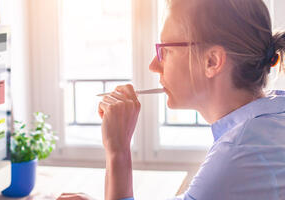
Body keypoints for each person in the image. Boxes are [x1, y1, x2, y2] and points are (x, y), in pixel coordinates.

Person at [58, 0, 285, 199]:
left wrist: (118, 151)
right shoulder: (270, 120)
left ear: (212, 61)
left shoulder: (238, 153)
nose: (153, 66)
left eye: (165, 50)